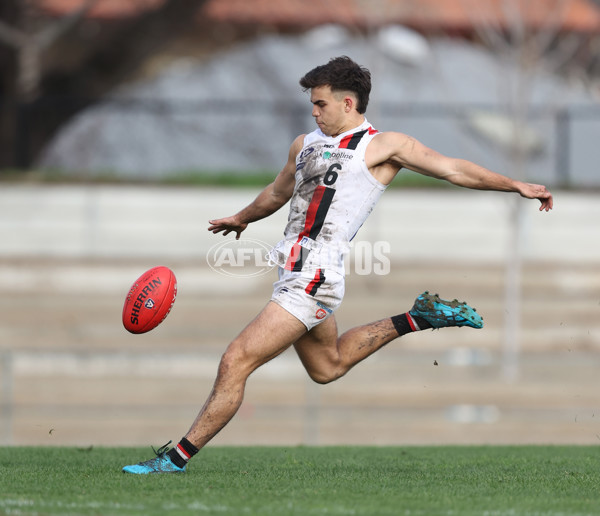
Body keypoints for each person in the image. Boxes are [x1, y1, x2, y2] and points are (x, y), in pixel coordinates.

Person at [123, 56, 553, 474]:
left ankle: (173, 459)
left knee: (235, 360)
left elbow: (455, 170)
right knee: (327, 368)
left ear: (349, 104)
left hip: (315, 276)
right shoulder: (304, 145)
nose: (313, 111)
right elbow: (276, 194)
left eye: (321, 103)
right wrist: (242, 217)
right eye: (312, 103)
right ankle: (417, 317)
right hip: (292, 272)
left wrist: (516, 185)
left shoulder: (384, 146)